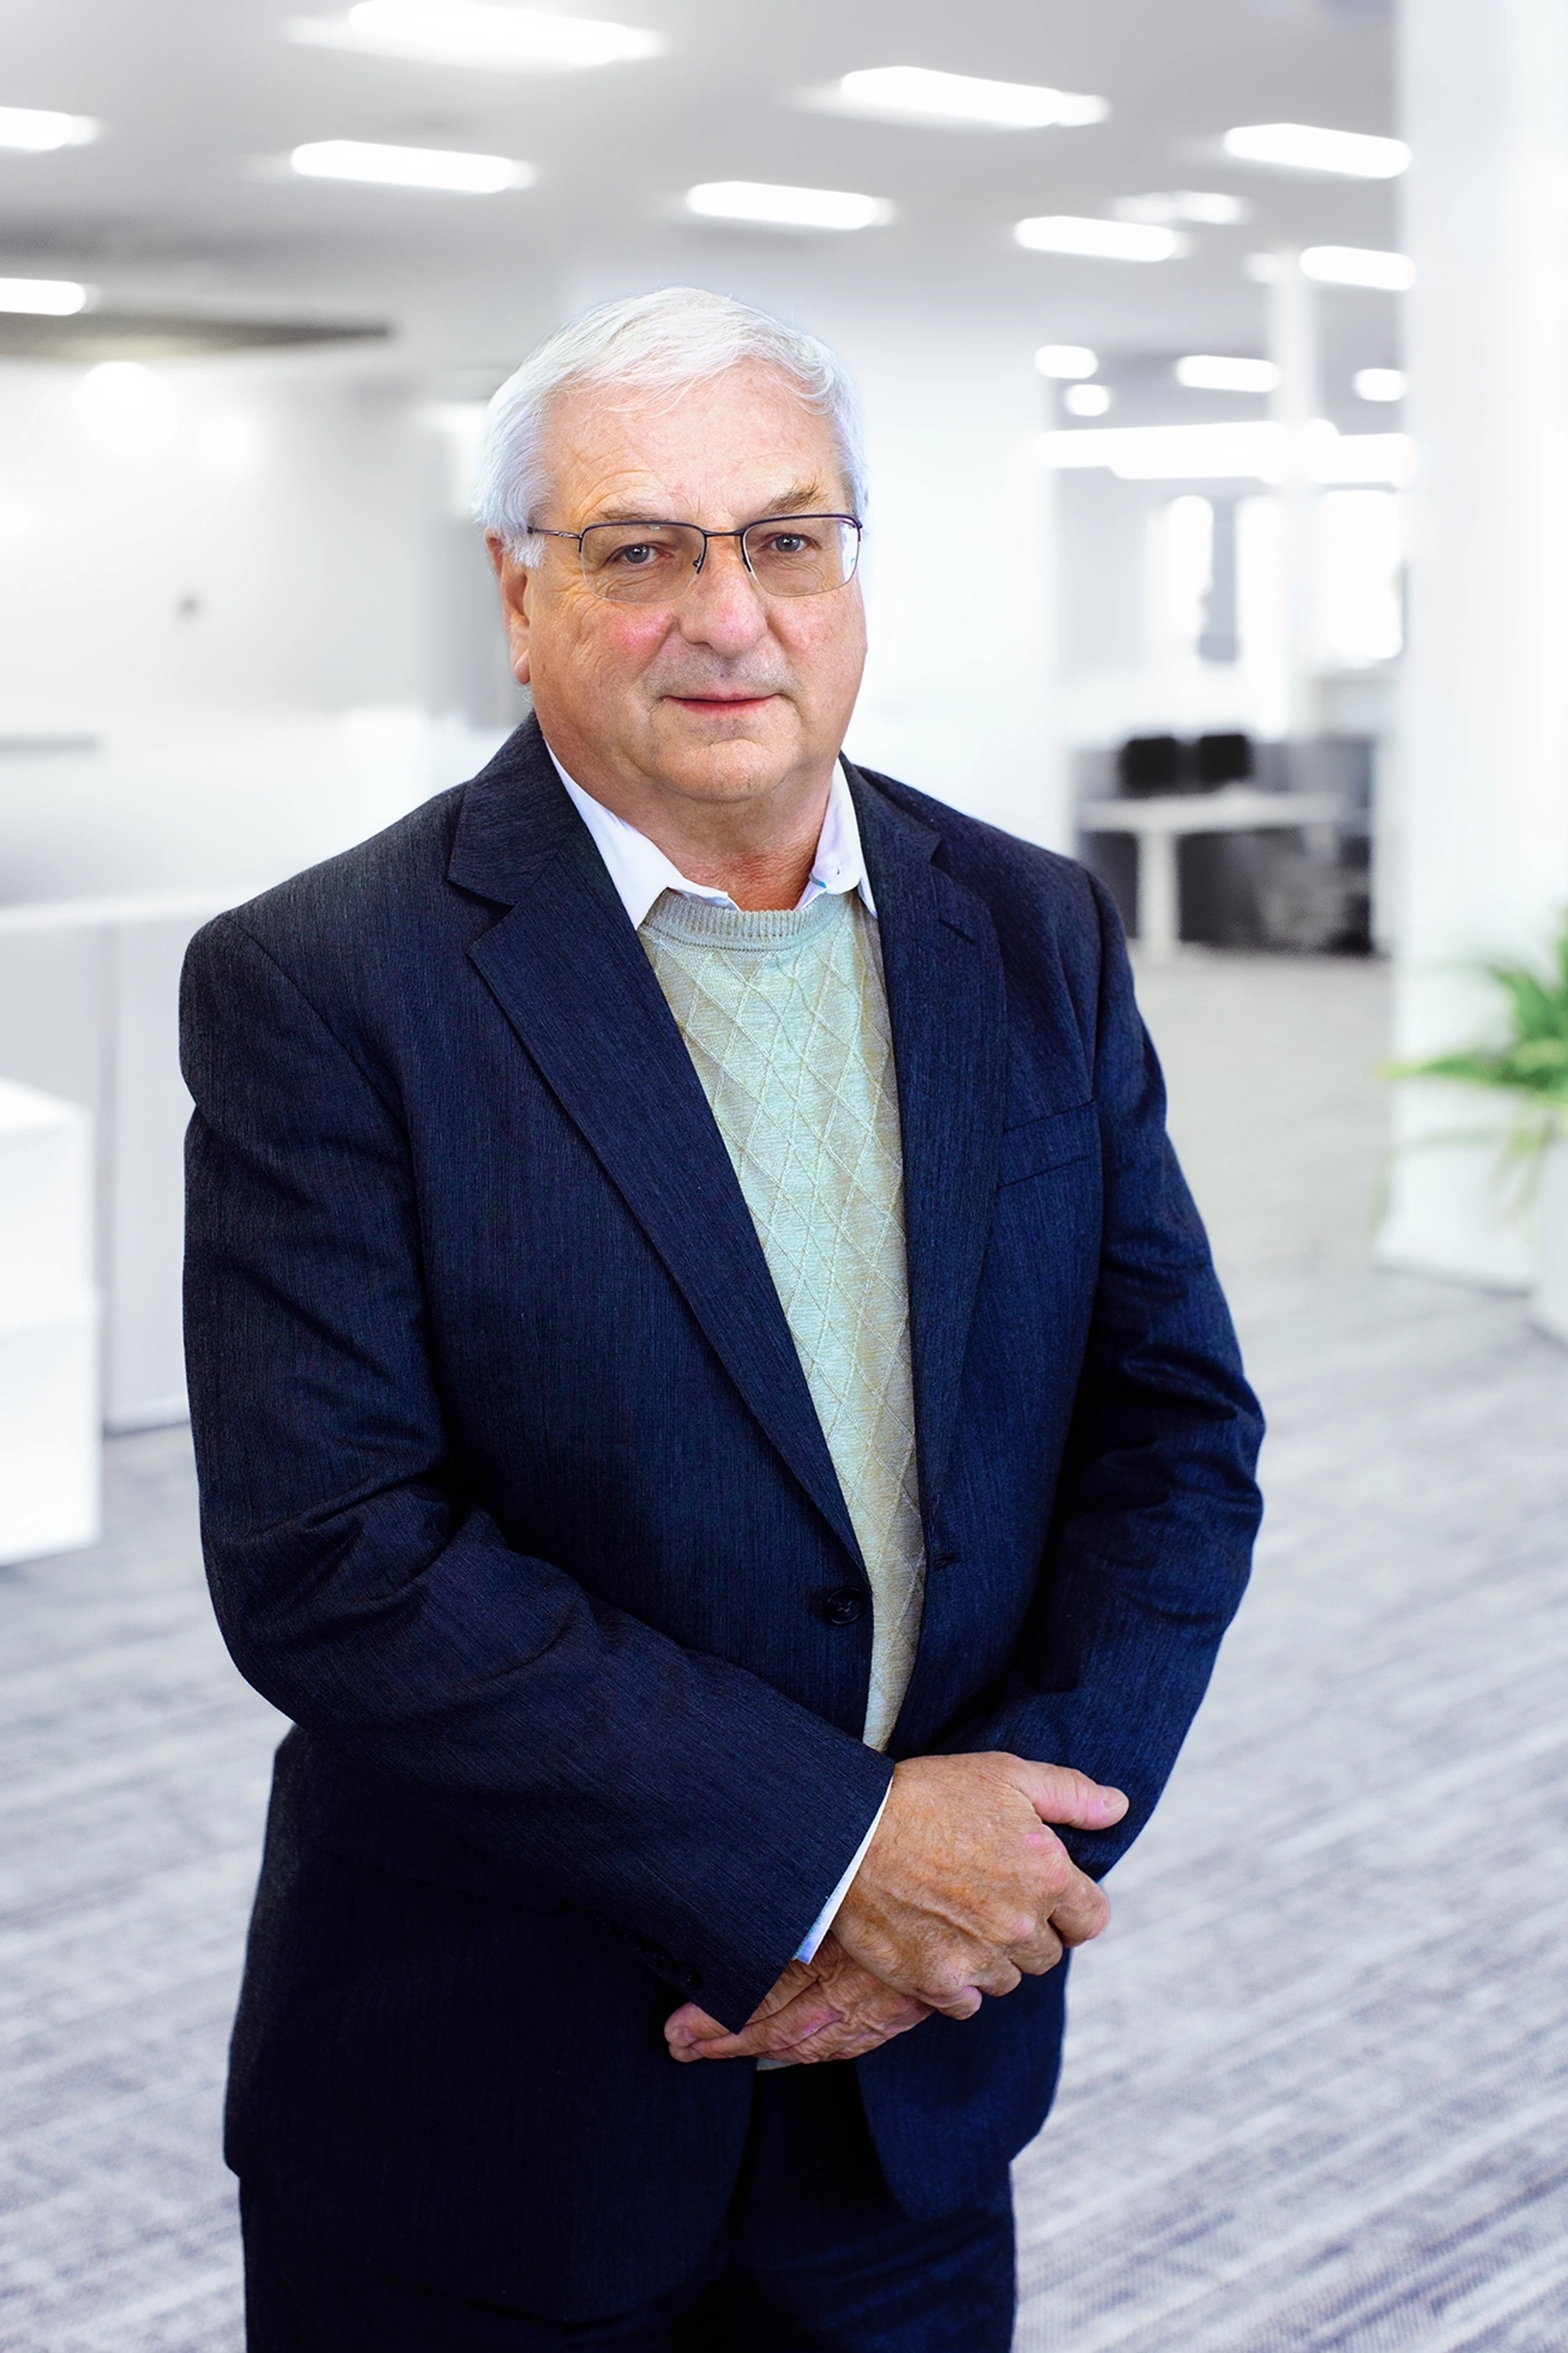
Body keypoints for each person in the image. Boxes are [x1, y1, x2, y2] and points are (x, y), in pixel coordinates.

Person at [181, 285, 1263, 2352]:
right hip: (498, 2112)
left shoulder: (1028, 925)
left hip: (917, 2093)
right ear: (518, 595)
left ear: (851, 572)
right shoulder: (324, 983)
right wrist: (837, 1853)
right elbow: (332, 1558)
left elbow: (1175, 1432)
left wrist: (991, 1869)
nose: (730, 613)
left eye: (785, 539)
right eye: (640, 549)